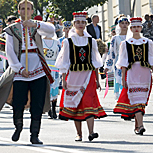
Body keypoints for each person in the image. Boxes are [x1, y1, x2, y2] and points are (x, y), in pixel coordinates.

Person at [0, 0, 55, 145]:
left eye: (28, 9)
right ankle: (18, 126)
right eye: (22, 9)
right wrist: (19, 68)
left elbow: (51, 30)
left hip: (38, 67)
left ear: (32, 11)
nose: (25, 11)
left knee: (37, 103)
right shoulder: (12, 29)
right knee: (18, 102)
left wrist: (35, 24)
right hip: (20, 68)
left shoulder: (37, 26)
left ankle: (34, 134)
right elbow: (9, 51)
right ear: (19, 11)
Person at [56, 11, 106, 142]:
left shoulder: (91, 42)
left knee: (88, 102)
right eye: (78, 22)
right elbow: (65, 63)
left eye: (83, 22)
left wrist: (97, 79)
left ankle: (91, 132)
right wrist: (63, 80)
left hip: (88, 76)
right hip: (73, 77)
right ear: (74, 24)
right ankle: (79, 134)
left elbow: (95, 62)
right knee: (75, 104)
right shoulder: (68, 42)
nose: (80, 25)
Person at [113, 17, 152, 135]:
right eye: (134, 27)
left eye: (138, 27)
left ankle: (137, 126)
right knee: (136, 100)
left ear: (141, 28)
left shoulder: (148, 43)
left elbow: (151, 60)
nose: (136, 29)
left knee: (142, 101)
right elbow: (123, 62)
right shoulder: (125, 44)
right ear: (131, 28)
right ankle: (140, 125)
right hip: (132, 73)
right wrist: (123, 78)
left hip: (145, 73)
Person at [104, 17, 129, 100]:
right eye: (122, 23)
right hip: (119, 61)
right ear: (119, 25)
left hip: (130, 61)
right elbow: (111, 52)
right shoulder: (115, 38)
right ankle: (121, 98)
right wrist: (108, 66)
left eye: (126, 23)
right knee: (119, 78)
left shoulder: (131, 37)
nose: (124, 25)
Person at [42, 30, 61, 119]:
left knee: (55, 87)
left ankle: (54, 108)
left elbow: (59, 55)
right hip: (45, 67)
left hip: (54, 67)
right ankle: (48, 108)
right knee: (46, 87)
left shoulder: (56, 43)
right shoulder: (41, 42)